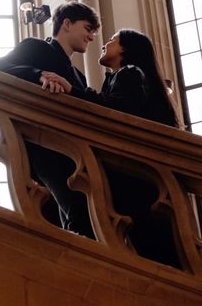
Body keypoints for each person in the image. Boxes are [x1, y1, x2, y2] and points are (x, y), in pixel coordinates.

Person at [41, 28, 183, 268]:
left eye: (112, 40)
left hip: (135, 182)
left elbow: (115, 112)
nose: (105, 43)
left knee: (157, 255)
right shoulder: (126, 77)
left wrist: (72, 91)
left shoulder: (129, 73)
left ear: (126, 49)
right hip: (141, 181)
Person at [0, 1, 100, 239]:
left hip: (75, 154)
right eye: (88, 28)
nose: (91, 37)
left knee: (77, 222)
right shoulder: (37, 48)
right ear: (67, 24)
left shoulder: (78, 77)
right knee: (76, 218)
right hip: (43, 149)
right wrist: (38, 75)